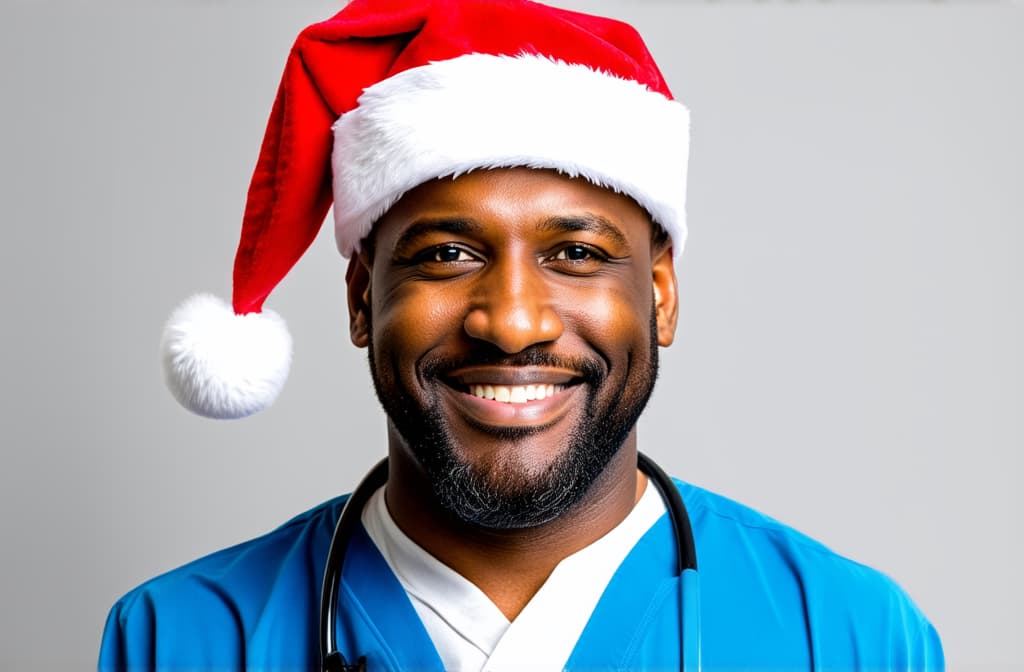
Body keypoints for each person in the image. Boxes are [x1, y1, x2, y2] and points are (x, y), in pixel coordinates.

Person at [100, 1, 943, 670]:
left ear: (660, 294)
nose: (510, 320)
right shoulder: (180, 638)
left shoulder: (849, 636)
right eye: (447, 254)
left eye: (575, 253)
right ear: (361, 299)